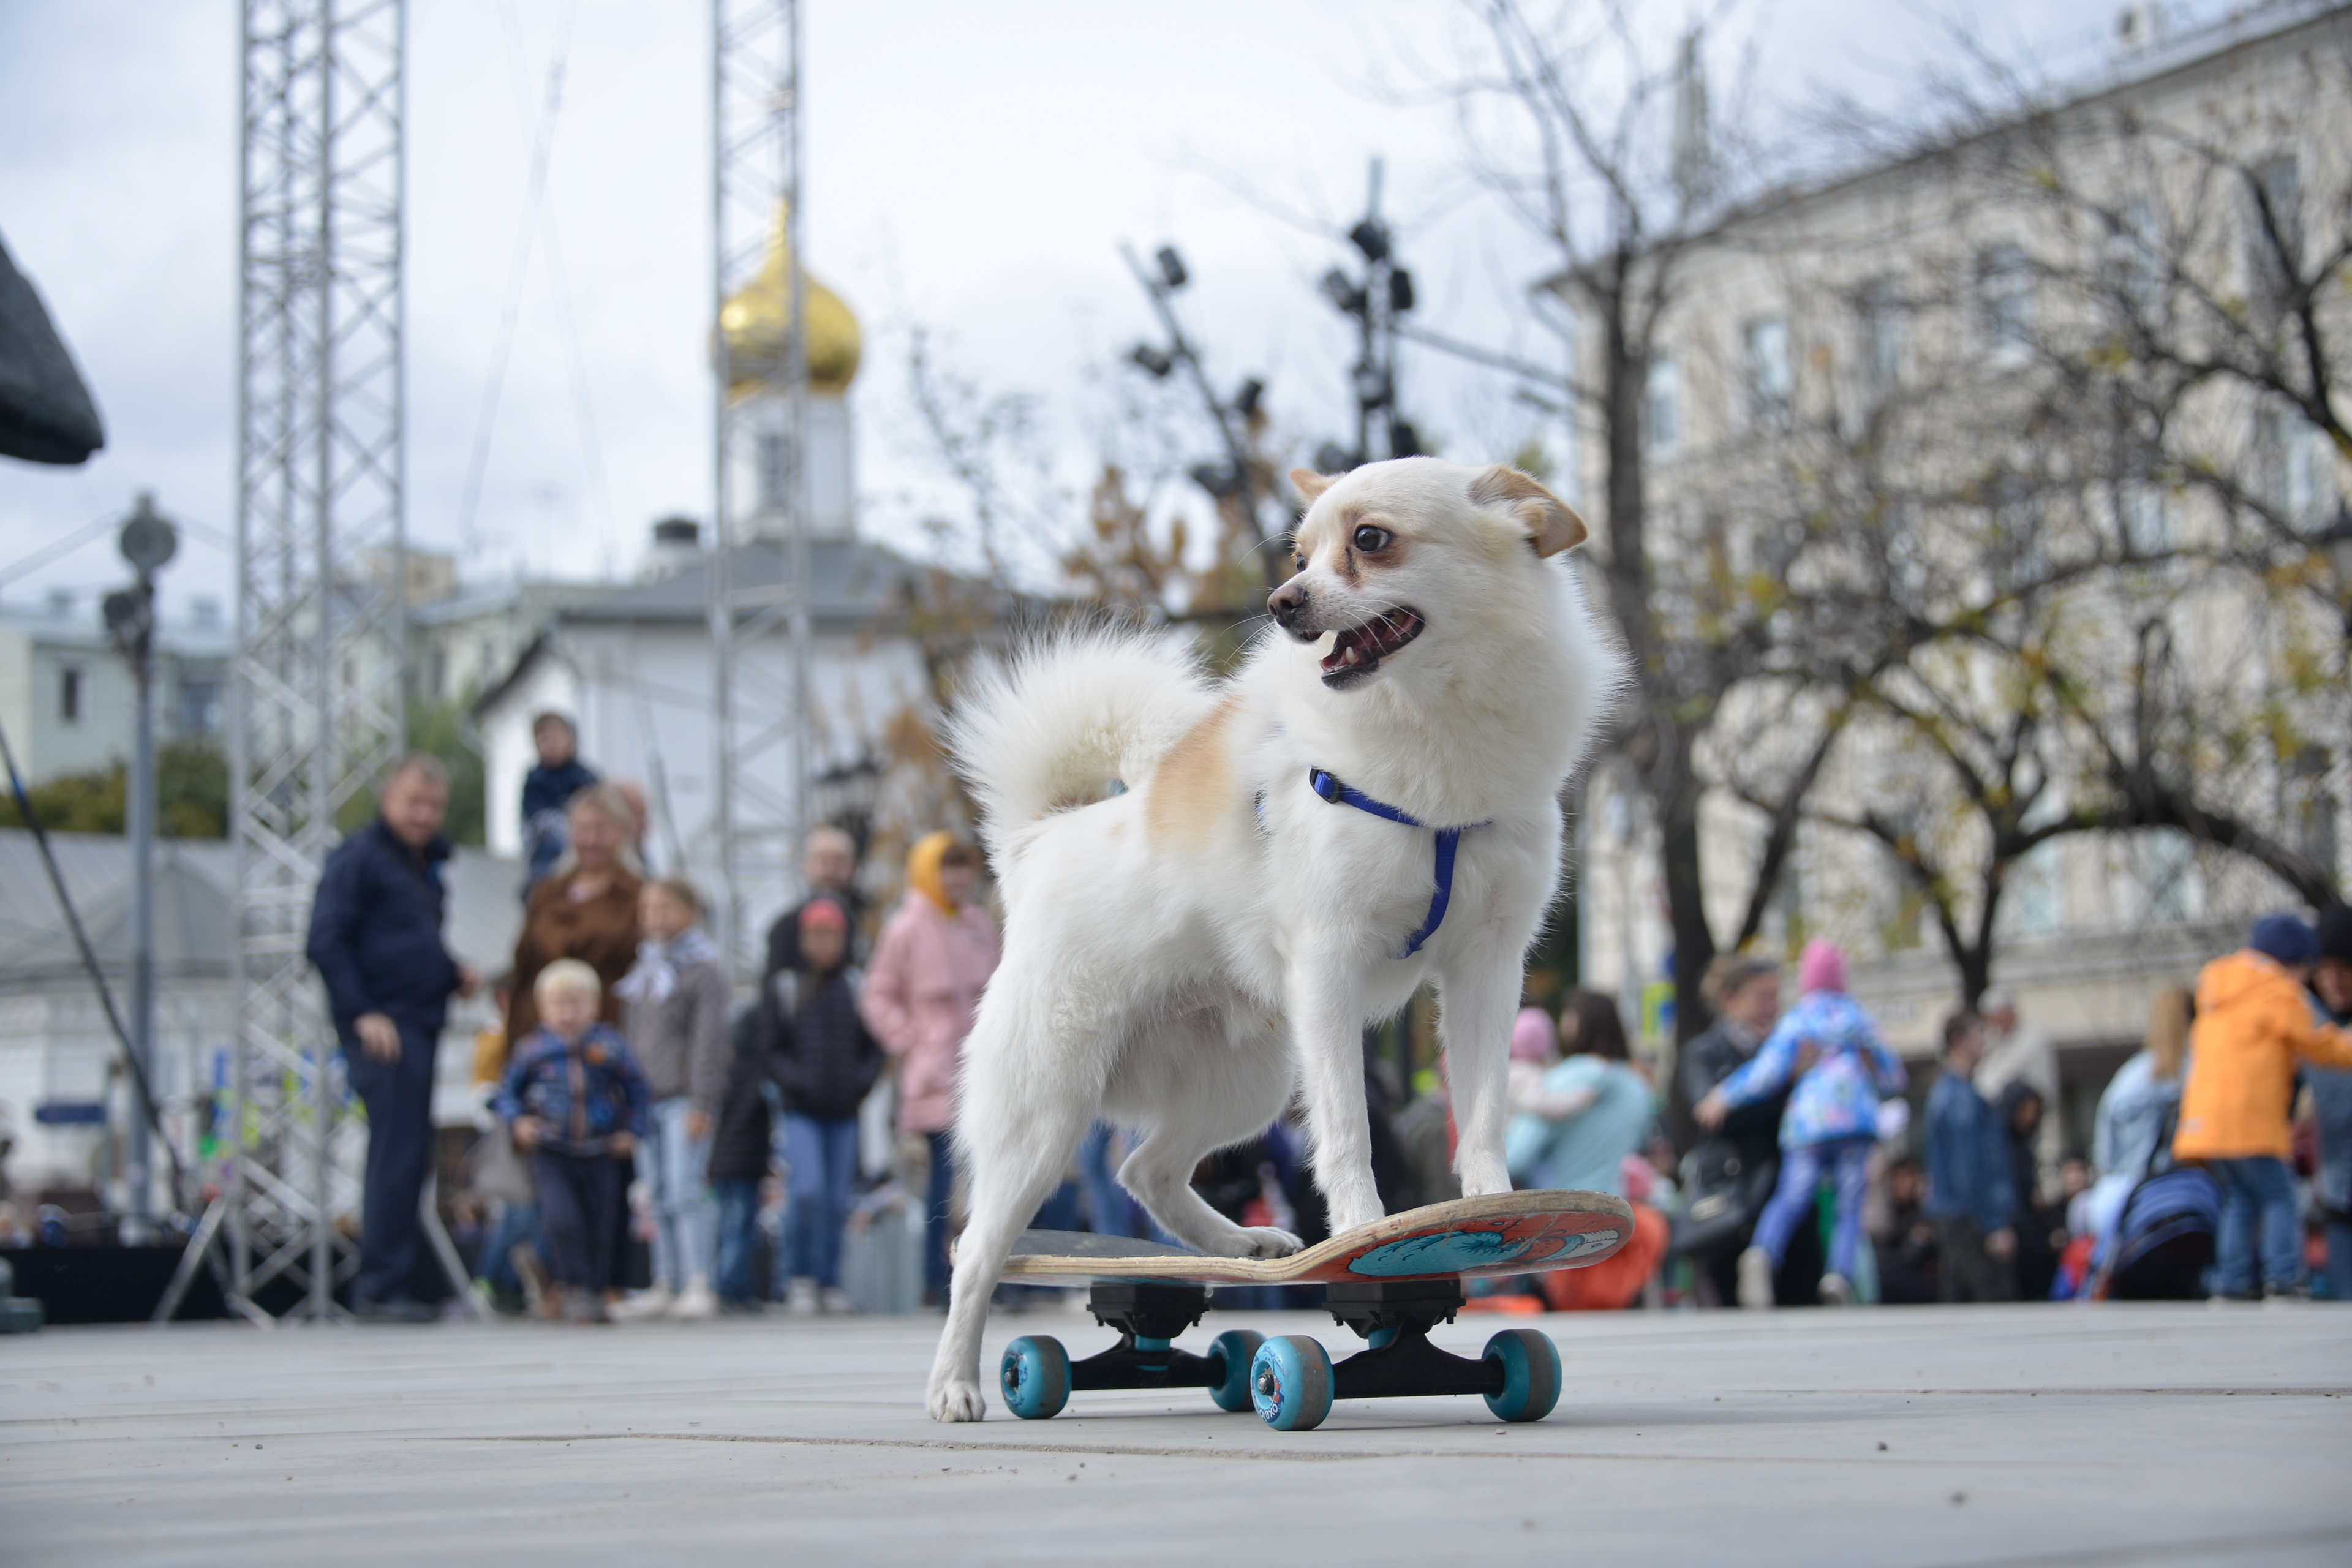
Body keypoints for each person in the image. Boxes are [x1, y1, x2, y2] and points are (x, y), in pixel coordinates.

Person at [305, 754, 481, 1322]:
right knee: (395, 1154)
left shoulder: (422, 865)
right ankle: (380, 1287)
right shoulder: (360, 858)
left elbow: (404, 943)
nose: (424, 815)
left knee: (411, 1156)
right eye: (414, 802)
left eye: (434, 806)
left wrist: (451, 972)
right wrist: (362, 1013)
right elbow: (326, 940)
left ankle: (403, 1281)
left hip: (420, 1019)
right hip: (386, 1028)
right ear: (388, 800)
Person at [1698, 940, 1906, 1309]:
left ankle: (1763, 1250)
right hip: (1854, 1124)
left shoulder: (1800, 1019)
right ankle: (1840, 1273)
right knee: (1849, 1205)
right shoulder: (1856, 1017)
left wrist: (1723, 1096)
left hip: (1808, 1125)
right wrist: (1882, 1079)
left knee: (1792, 1196)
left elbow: (1766, 1072)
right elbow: (1891, 1072)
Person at [2174, 912, 2352, 1299]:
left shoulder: (2220, 991)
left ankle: (2233, 1282)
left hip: (2206, 1123)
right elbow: (2315, 1042)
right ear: (2295, 963)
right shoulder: (2277, 989)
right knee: (2279, 1195)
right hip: (2249, 1120)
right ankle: (2283, 1277)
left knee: (2239, 1199)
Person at [859, 832, 1000, 1307]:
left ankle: (992, 1276)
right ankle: (935, 1280)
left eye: (964, 867)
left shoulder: (979, 924)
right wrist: (912, 1042)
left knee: (991, 1176)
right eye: (948, 867)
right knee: (942, 1183)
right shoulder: (905, 928)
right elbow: (877, 993)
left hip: (983, 1068)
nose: (959, 878)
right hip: (934, 1076)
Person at [495, 960, 651, 1322]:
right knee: (562, 1219)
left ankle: (598, 1290)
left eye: (576, 1005)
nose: (568, 1015)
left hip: (601, 1150)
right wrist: (518, 1121)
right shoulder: (533, 1050)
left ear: (594, 1007)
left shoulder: (609, 1047)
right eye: (559, 1007)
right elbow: (505, 1093)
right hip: (552, 1150)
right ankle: (575, 1287)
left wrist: (633, 1131)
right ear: (543, 1010)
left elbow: (638, 1091)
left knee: (602, 1222)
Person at [608, 878, 731, 1322]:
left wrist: (702, 1100)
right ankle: (666, 1280)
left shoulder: (703, 969)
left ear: (691, 911)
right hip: (646, 1101)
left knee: (686, 1189)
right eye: (648, 910)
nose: (655, 918)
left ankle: (699, 1280)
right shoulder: (644, 971)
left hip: (685, 1099)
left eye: (666, 908)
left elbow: (708, 1040)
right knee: (655, 1195)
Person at [1503, 990, 1668, 1310]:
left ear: (1578, 1023)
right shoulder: (1637, 1086)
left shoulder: (1568, 1077)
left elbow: (1517, 1157)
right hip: (1618, 1225)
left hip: (1558, 1232)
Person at [1676, 953, 1814, 1307]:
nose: (1772, 1007)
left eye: (1776, 996)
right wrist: (1786, 1084)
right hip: (1732, 1198)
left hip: (1788, 1195)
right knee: (1730, 1309)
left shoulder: (1787, 1048)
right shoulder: (1703, 1052)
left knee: (1799, 1301)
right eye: (1762, 997)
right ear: (1729, 1000)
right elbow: (1711, 1117)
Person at [770, 896, 884, 1315]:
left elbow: (874, 1046)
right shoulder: (785, 986)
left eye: (831, 935)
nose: (823, 944)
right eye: (815, 935)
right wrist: (796, 1083)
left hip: (843, 1112)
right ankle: (798, 1277)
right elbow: (770, 1049)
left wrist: (861, 1084)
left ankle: (829, 1279)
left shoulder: (856, 985)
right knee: (808, 1192)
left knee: (838, 1200)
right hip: (802, 1111)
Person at [1926, 1011, 2017, 1303]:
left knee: (1960, 1309)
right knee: (1993, 1302)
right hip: (1969, 1222)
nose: (1984, 1043)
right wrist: (1993, 1223)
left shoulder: (1951, 1093)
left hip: (1957, 1217)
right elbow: (1968, 1167)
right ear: (1958, 1041)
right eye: (1979, 1035)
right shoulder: (1959, 1100)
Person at [706, 1003, 774, 1308]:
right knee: (741, 1229)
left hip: (719, 1164)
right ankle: (730, 1289)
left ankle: (732, 1285)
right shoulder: (760, 1077)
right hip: (746, 1164)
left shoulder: (722, 1075)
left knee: (725, 1227)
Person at [2307, 904, 2352, 1302]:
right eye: (2324, 969)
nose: (2334, 980)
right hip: (2338, 1199)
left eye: (2344, 967)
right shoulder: (2308, 1027)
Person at [1975, 989, 2060, 1193]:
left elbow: (2044, 1094)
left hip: (2024, 1140)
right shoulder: (1988, 1044)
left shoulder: (2033, 1042)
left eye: (2000, 1016)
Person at [766, 826, 866, 973]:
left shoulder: (867, 923)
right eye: (823, 860)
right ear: (806, 865)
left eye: (839, 861)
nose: (830, 870)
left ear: (853, 867)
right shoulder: (785, 929)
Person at [521, 712, 598, 890]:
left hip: (589, 841)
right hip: (551, 849)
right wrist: (573, 831)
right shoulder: (535, 781)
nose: (551, 744)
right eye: (543, 739)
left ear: (571, 740)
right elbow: (537, 821)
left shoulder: (585, 777)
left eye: (556, 737)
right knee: (540, 880)